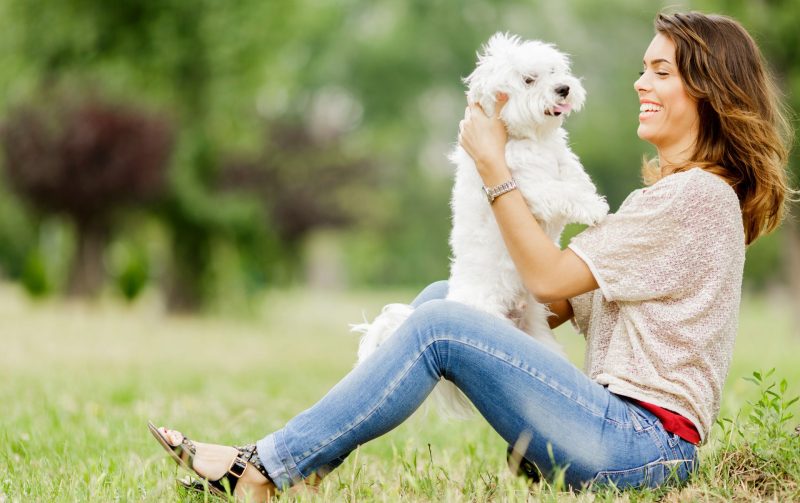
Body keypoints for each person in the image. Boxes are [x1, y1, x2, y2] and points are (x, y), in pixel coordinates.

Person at [149, 11, 793, 499]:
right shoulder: (682, 196)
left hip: (640, 446)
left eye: (660, 72)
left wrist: (493, 166)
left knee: (440, 325)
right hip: (620, 433)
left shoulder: (695, 199)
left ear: (708, 92)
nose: (638, 82)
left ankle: (265, 468)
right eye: (643, 68)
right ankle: (310, 459)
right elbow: (558, 300)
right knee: (442, 303)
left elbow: (546, 278)